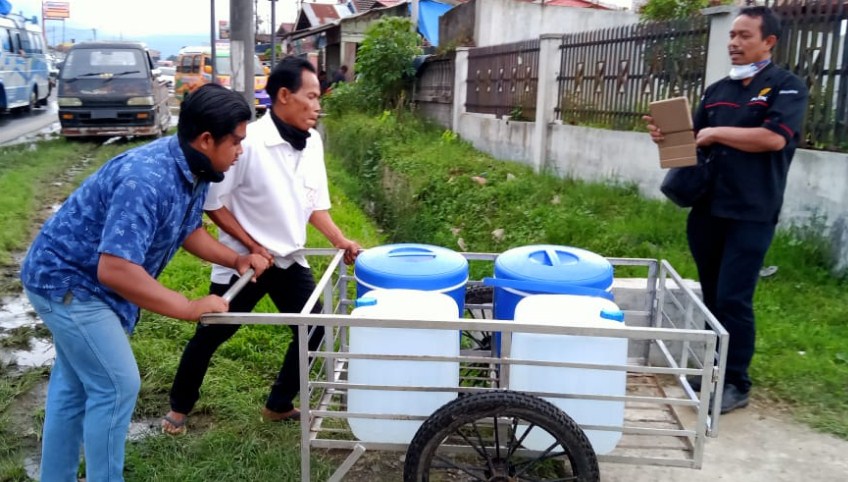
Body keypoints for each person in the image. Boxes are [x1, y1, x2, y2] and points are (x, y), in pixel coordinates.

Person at [21, 83, 271, 482]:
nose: (240, 151)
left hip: (85, 281)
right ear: (206, 140)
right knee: (117, 385)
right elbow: (115, 269)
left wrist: (236, 258)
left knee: (74, 388)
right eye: (236, 142)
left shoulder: (195, 168)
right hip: (67, 282)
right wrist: (188, 306)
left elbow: (187, 228)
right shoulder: (146, 179)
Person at [162, 56, 361, 434]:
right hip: (245, 263)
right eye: (312, 96)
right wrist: (252, 248)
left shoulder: (312, 141)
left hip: (289, 260)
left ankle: (279, 404)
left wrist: (339, 239)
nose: (318, 105)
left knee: (314, 328)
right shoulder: (245, 142)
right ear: (284, 96)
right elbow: (213, 204)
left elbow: (313, 202)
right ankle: (178, 409)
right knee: (212, 333)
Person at [644, 6, 808, 414]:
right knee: (713, 296)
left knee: (735, 297)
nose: (734, 43)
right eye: (731, 35)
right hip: (708, 209)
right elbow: (691, 140)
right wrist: (664, 137)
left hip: (751, 212)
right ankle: (711, 370)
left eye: (744, 36)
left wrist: (715, 133)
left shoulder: (786, 87)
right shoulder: (716, 91)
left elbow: (773, 139)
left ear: (769, 41)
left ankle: (736, 381)